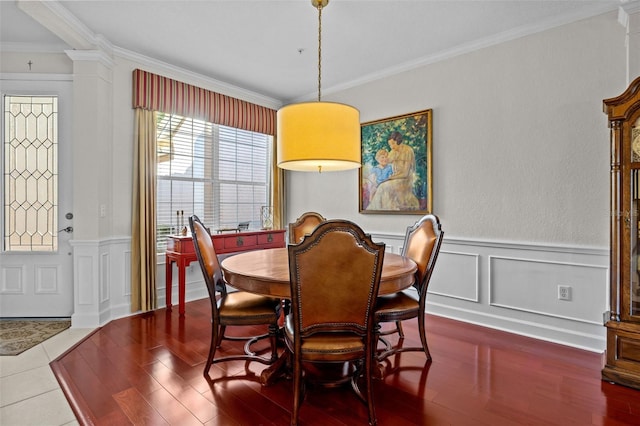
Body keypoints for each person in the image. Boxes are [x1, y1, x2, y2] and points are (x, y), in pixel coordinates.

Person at [367, 131, 419, 210]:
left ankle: (381, 209)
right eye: (390, 145)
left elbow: (405, 173)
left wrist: (390, 177)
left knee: (383, 186)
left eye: (393, 144)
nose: (391, 147)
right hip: (394, 178)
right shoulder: (393, 152)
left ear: (398, 141)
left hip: (404, 180)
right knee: (382, 186)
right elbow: (384, 162)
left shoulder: (407, 150)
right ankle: (379, 209)